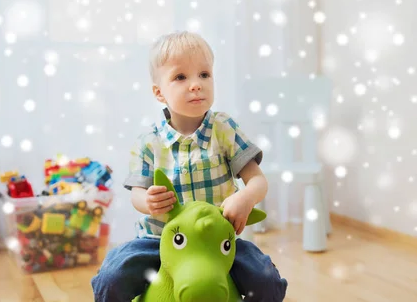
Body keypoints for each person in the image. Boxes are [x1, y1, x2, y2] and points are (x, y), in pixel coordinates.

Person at [91, 31, 288, 301]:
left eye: (204, 74)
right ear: (159, 93)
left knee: (266, 280)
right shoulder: (148, 141)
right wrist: (148, 201)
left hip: (216, 243)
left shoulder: (224, 129)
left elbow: (258, 181)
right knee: (111, 277)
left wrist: (245, 197)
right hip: (159, 240)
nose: (196, 84)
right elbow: (137, 194)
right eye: (181, 77)